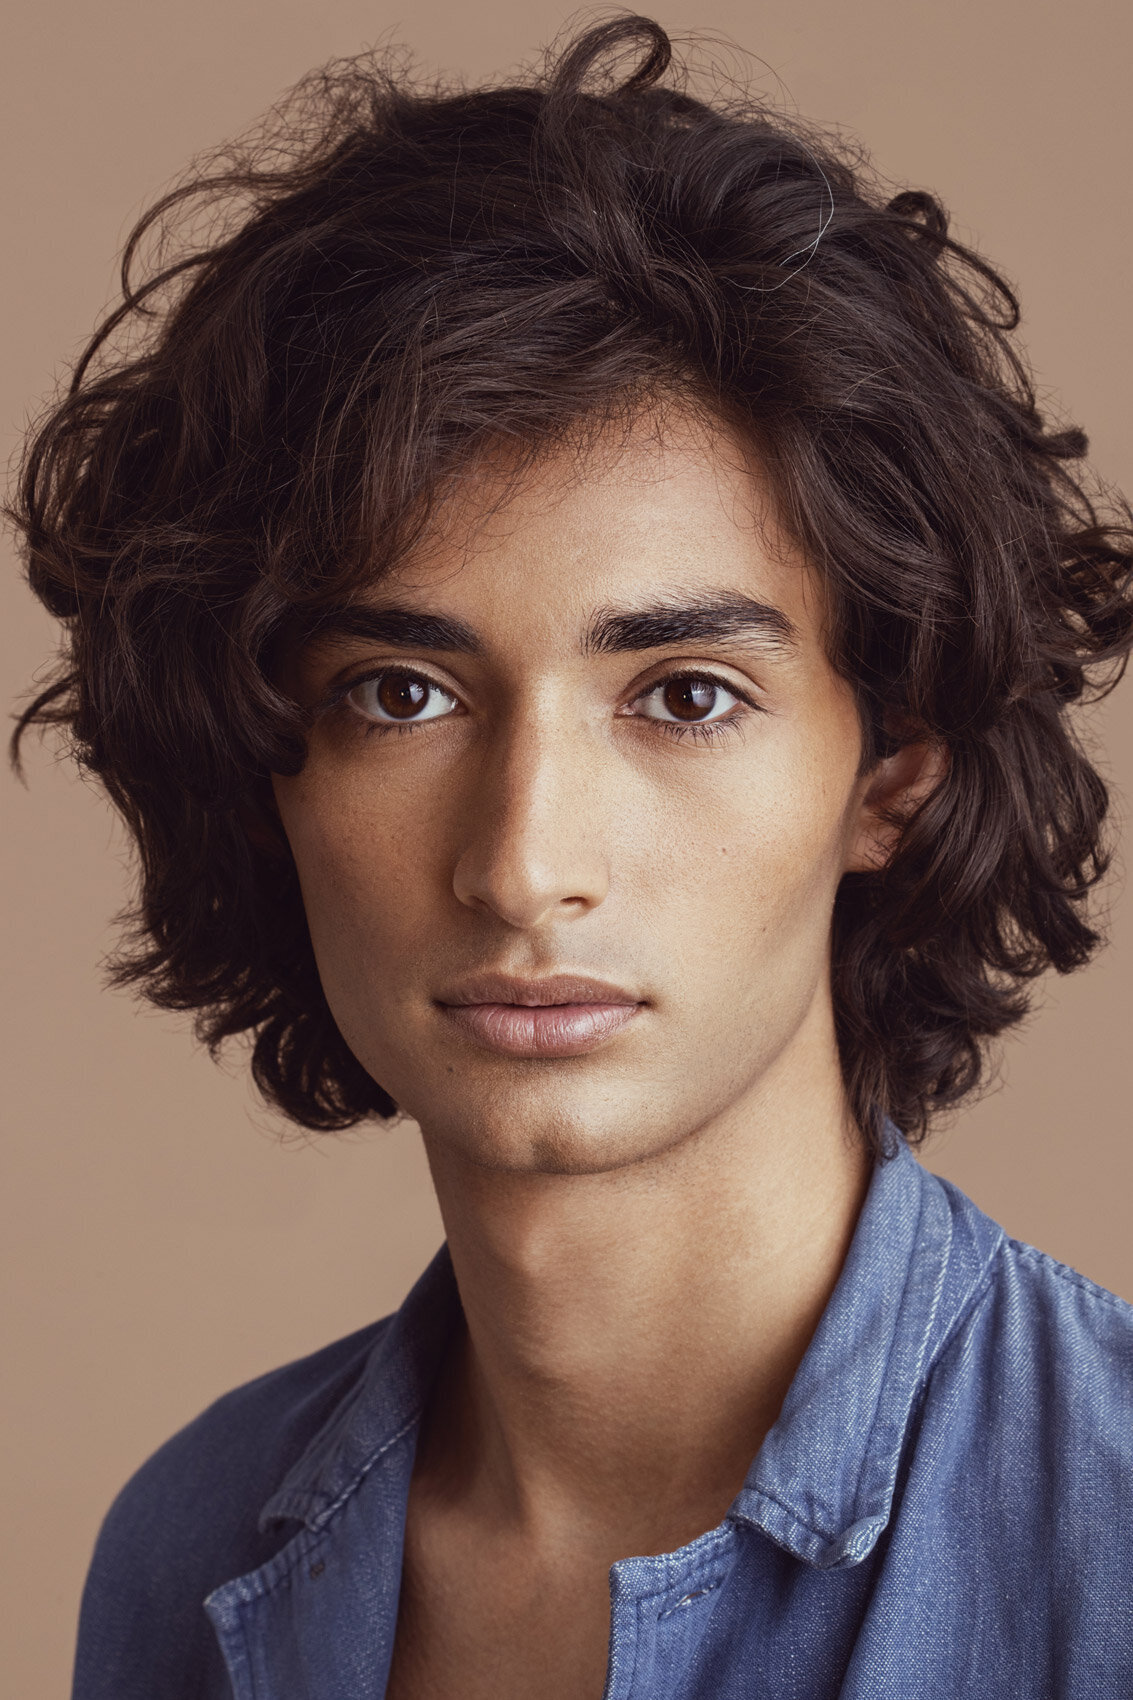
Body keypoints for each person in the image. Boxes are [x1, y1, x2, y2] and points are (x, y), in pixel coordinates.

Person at [11, 14, 1133, 1698]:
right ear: (262, 766)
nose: (524, 863)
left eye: (682, 694)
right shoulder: (192, 1546)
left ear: (892, 767)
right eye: (402, 693)